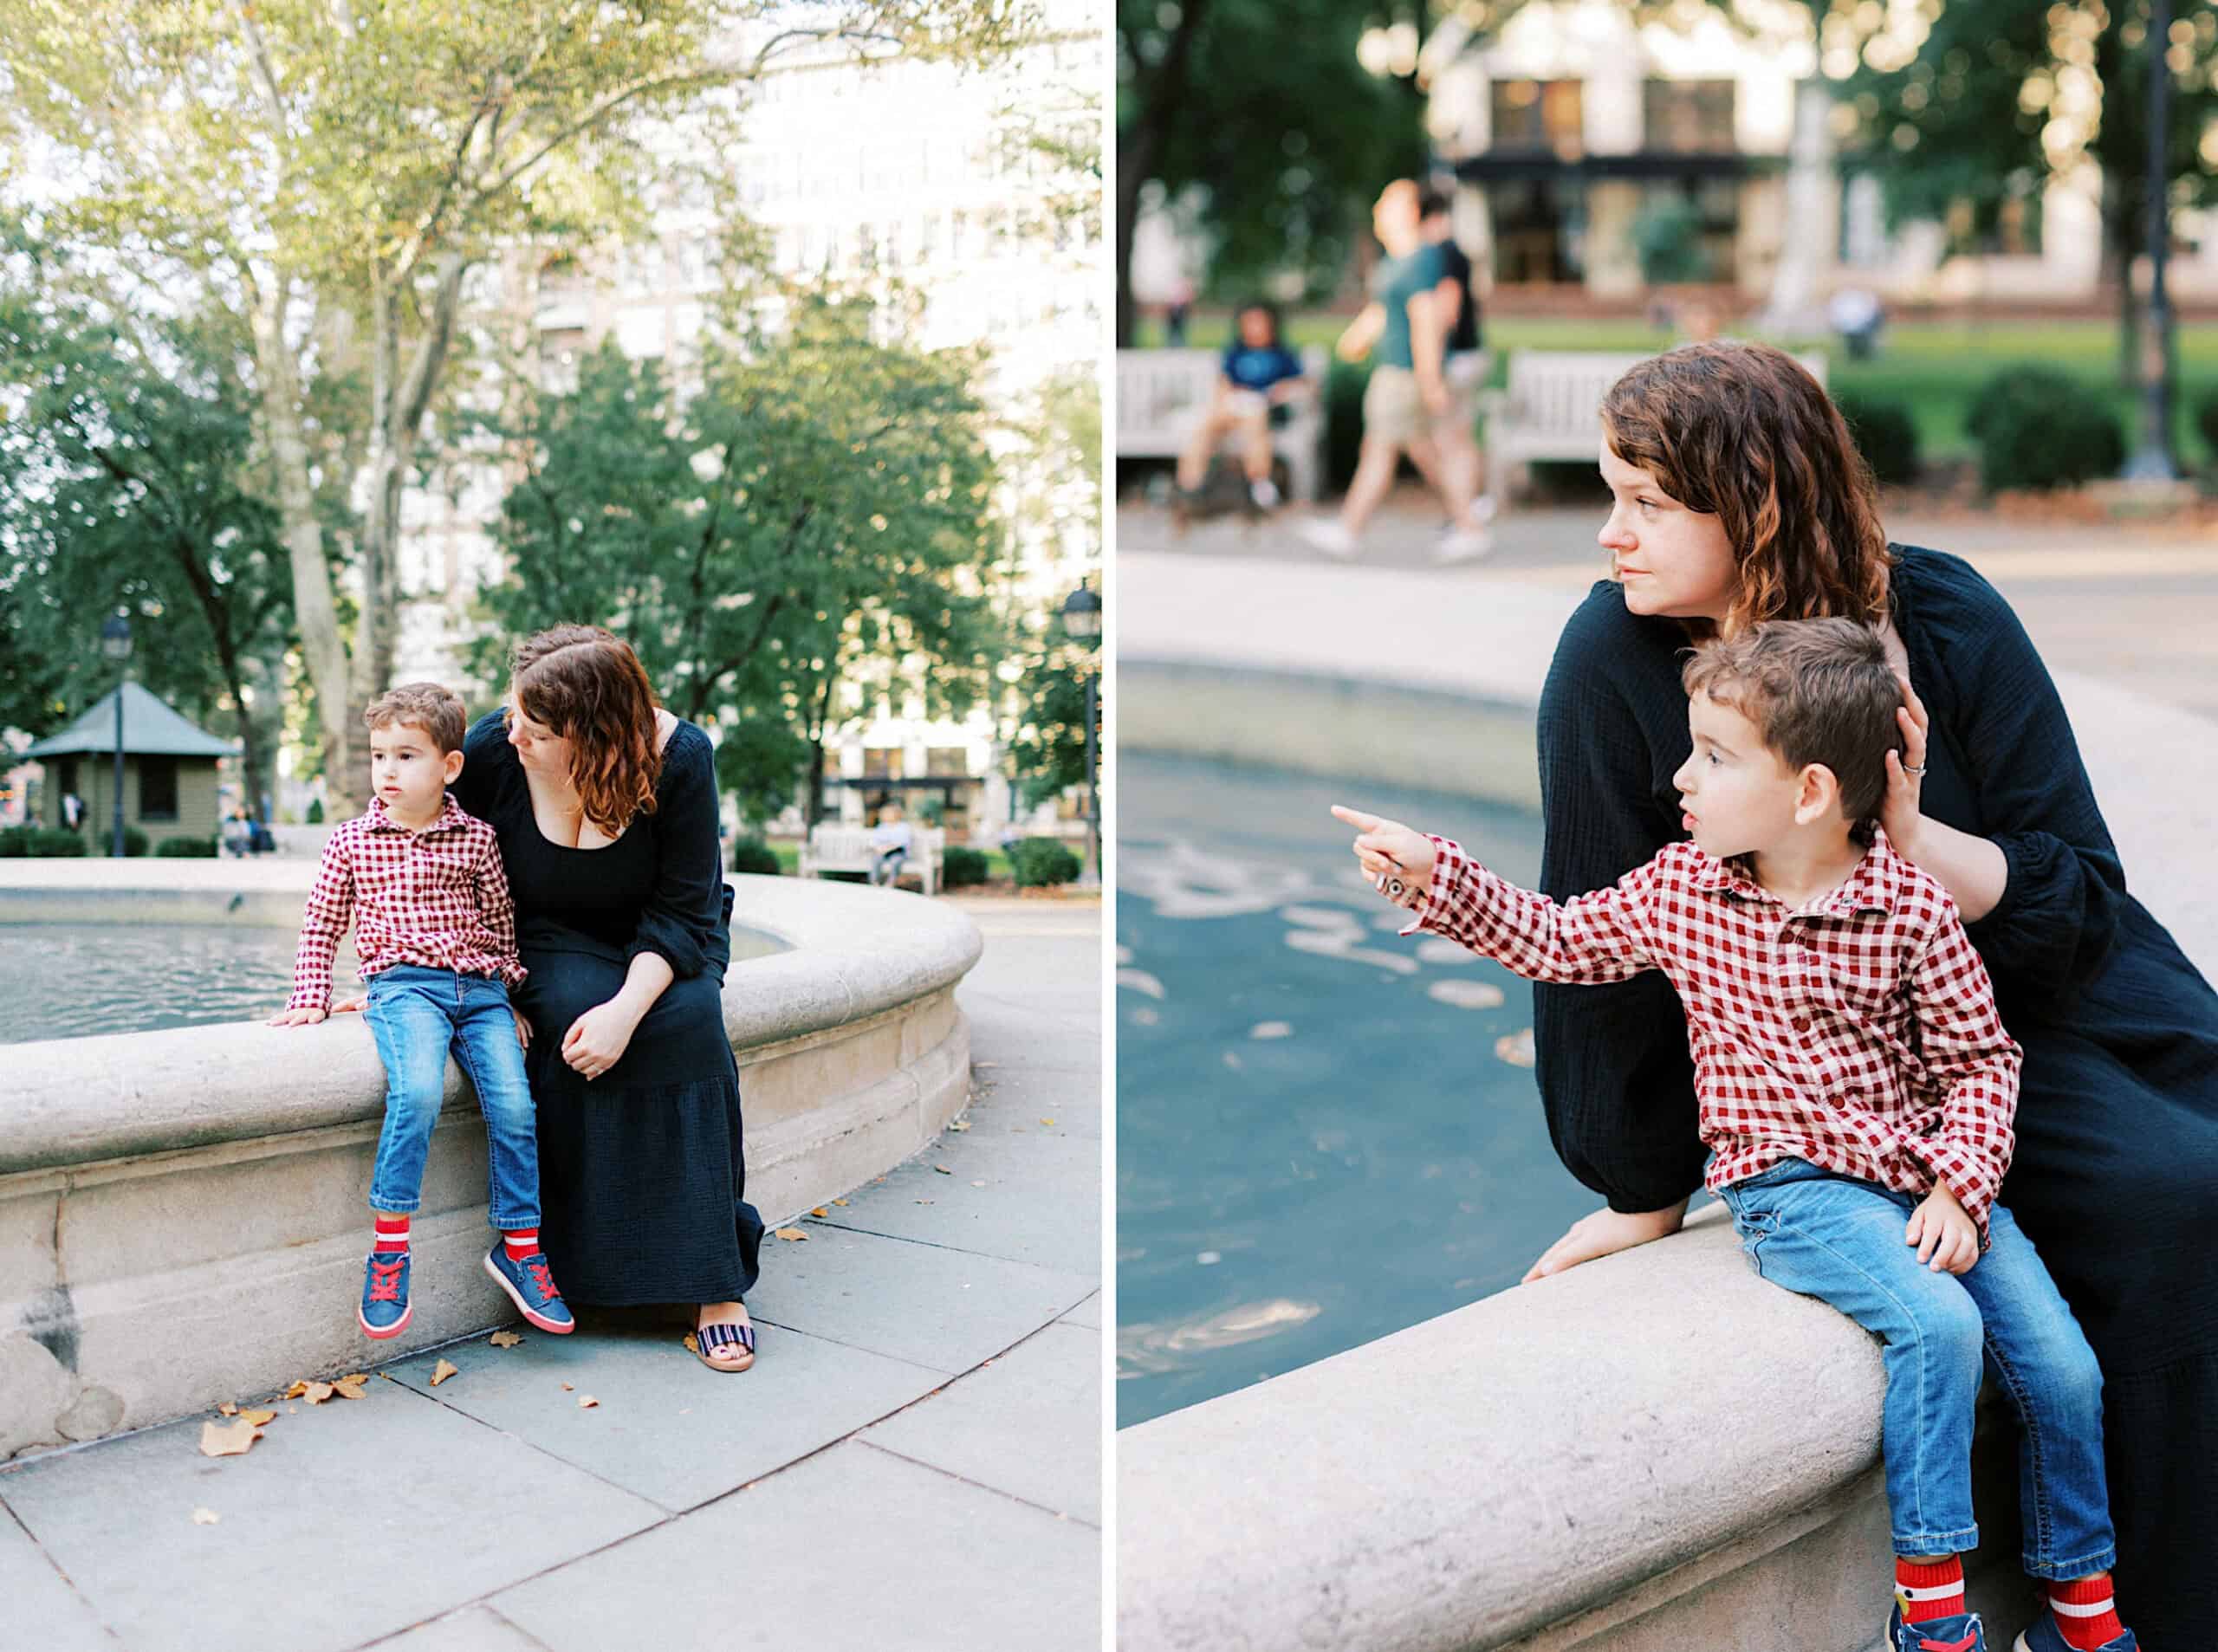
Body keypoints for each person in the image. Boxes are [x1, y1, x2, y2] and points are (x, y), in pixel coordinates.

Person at [1496, 340, 2216, 1645]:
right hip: (1844, 1086)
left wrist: (1915, 834)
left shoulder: (1944, 614)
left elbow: (2080, 890)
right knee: (2172, 1198)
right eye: (1612, 494)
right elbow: (1597, 943)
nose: (1610, 534)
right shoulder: (1612, 663)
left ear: (1761, 501)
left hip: (2025, 1007)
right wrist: (1639, 1189)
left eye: (1650, 502)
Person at [1335, 619, 2139, 1652]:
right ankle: (1931, 1606)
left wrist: (1959, 1188)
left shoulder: (1910, 906)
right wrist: (1433, 878)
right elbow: (1557, 937)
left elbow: (1982, 1063)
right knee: (1937, 1330)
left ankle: (2080, 1600)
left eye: (1712, 756)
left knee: (2064, 1369)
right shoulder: (1682, 892)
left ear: (1807, 793)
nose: (1679, 776)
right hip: (1791, 1186)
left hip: (1923, 1179)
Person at [445, 625, 766, 1373]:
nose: (514, 730)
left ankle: (716, 1281)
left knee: (689, 1025)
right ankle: (585, 1267)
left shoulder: (683, 758)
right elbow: (419, 840)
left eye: (540, 726)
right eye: (515, 711)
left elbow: (686, 908)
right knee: (575, 1019)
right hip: (547, 932)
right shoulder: (498, 747)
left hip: (667, 930)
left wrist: (629, 1008)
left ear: (593, 735)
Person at [269, 683, 574, 1344]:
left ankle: (521, 1247)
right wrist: (310, 995)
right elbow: (321, 924)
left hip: (481, 995)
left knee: (516, 1107)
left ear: (450, 766)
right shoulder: (352, 841)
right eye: (379, 756)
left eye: (406, 756)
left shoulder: (478, 840)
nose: (387, 771)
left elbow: (499, 924)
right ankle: (389, 1250)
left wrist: (511, 993)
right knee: (416, 1091)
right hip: (405, 989)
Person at [1296, 179, 1490, 565]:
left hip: (1404, 376)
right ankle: (1468, 521)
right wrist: (1359, 336)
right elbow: (1385, 310)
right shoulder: (1396, 260)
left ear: (1411, 212)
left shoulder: (1421, 260)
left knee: (1382, 452)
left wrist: (1431, 379)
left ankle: (1353, 530)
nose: (1378, 210)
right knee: (1417, 451)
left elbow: (1426, 322)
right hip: (1395, 373)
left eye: (1387, 203)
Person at [1174, 301, 1307, 512]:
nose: (1255, 328)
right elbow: (1223, 383)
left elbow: (1302, 382)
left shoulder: (1282, 354)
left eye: (1260, 322)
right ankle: (1190, 486)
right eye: (1250, 323)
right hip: (1234, 407)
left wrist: (1283, 388)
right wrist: (1227, 398)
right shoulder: (1236, 353)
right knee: (1204, 428)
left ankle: (1259, 483)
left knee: (1256, 423)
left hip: (1265, 409)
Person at [1417, 185, 1495, 539]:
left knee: (1451, 439)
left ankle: (1466, 510)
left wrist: (1432, 352)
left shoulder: (1444, 253)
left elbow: (1449, 306)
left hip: (1457, 358)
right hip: (1469, 353)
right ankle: (1468, 504)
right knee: (1456, 437)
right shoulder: (1455, 251)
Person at [870, 799, 913, 888]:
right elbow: (874, 841)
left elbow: (902, 843)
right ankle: (875, 882)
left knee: (895, 861)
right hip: (883, 852)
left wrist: (889, 848)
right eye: (885, 813)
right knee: (876, 860)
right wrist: (878, 848)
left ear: (897, 814)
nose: (886, 815)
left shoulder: (903, 827)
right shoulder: (882, 827)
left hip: (898, 852)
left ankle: (890, 883)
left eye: (889, 813)